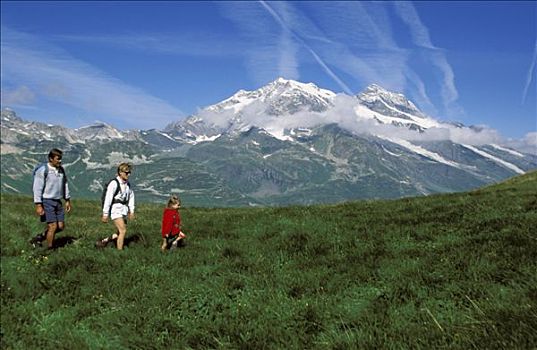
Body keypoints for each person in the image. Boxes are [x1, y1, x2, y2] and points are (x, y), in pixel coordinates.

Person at [31, 148, 72, 249]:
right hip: (47, 201)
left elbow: (65, 184)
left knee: (60, 226)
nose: (60, 161)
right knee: (52, 226)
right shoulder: (43, 170)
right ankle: (50, 248)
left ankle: (40, 238)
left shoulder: (61, 170)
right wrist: (38, 205)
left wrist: (67, 200)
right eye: (58, 159)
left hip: (58, 201)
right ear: (51, 159)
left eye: (61, 159)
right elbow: (37, 188)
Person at [96, 163, 135, 250]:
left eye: (129, 172)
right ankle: (120, 252)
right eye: (126, 172)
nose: (128, 174)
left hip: (123, 210)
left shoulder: (127, 184)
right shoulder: (114, 183)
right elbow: (108, 199)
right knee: (123, 231)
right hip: (115, 209)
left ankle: (104, 241)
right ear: (120, 172)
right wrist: (105, 214)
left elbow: (131, 196)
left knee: (119, 232)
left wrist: (131, 211)